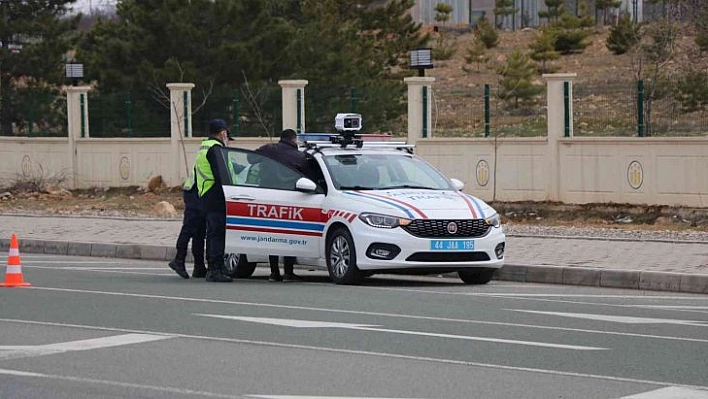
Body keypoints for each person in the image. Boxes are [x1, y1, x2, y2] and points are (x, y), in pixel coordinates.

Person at [256, 128, 311, 282]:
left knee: (272, 234)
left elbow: (250, 159)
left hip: (267, 197)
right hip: (290, 198)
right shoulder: (299, 156)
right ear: (293, 139)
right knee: (289, 234)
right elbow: (309, 177)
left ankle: (274, 272)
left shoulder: (269, 149)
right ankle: (288, 272)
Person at [194, 118, 234, 283]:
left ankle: (214, 266)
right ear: (223, 132)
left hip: (205, 193)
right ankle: (215, 269)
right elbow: (220, 174)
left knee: (212, 233)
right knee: (217, 233)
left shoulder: (204, 146)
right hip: (216, 194)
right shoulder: (215, 149)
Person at [168, 166, 207, 279]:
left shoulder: (210, 149)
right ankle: (178, 259)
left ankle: (199, 266)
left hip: (199, 191)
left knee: (199, 231)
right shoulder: (212, 149)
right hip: (195, 192)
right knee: (189, 228)